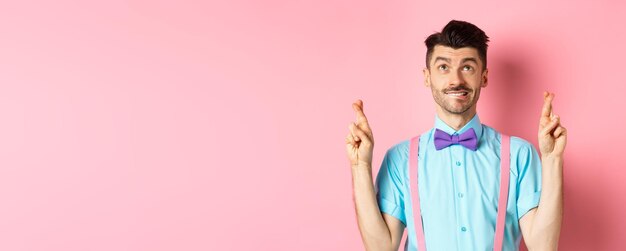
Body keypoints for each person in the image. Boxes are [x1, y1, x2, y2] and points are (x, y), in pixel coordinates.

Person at [345, 20, 566, 251]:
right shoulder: (399, 158)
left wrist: (552, 159)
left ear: (484, 77)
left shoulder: (520, 154)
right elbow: (381, 247)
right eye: (443, 67)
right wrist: (360, 166)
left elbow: (543, 246)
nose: (456, 80)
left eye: (467, 67)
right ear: (427, 76)